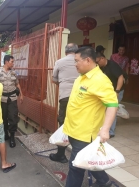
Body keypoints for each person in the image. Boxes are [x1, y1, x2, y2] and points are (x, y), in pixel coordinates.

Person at [63, 47, 118, 187]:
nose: (75, 64)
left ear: (88, 60)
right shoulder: (81, 77)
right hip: (73, 130)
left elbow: (112, 105)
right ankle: (104, 181)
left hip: (85, 134)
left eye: (77, 61)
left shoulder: (101, 80)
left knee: (75, 167)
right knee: (87, 160)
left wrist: (105, 129)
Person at [49, 43, 79, 163]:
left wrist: (63, 85)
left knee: (64, 125)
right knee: (78, 124)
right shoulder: (81, 61)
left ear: (66, 51)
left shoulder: (59, 62)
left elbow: (54, 79)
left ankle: (61, 154)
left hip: (65, 96)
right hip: (80, 97)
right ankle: (78, 153)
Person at [96, 52, 125, 138]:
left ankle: (111, 132)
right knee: (105, 110)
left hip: (116, 90)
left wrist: (117, 91)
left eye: (97, 62)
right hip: (107, 91)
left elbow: (121, 77)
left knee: (112, 110)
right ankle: (104, 128)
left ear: (102, 58)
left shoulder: (112, 65)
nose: (97, 64)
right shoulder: (100, 67)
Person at [0, 55, 23, 148]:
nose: (13, 63)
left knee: (13, 118)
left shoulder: (14, 73)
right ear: (6, 61)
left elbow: (17, 83)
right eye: (12, 61)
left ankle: (12, 137)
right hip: (2, 99)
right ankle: (5, 134)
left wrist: (21, 95)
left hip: (12, 98)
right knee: (3, 118)